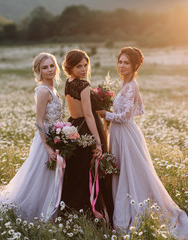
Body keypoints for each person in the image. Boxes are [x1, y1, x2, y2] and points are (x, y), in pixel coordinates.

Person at [97, 47, 188, 239]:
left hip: (125, 135)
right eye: (120, 62)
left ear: (135, 66)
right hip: (121, 133)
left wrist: (105, 114)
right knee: (125, 172)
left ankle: (135, 215)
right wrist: (118, 108)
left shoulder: (132, 85)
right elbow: (139, 109)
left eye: (126, 63)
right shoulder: (127, 84)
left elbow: (126, 117)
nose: (122, 66)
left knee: (131, 174)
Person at [0, 52, 63, 221]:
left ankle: (50, 210)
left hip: (57, 137)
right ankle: (33, 213)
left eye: (52, 65)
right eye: (45, 67)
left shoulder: (53, 89)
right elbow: (39, 121)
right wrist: (47, 147)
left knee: (50, 177)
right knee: (40, 176)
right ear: (39, 71)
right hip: (45, 140)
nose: (49, 70)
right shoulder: (42, 91)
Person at [61, 49, 113, 224]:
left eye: (85, 65)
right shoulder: (83, 85)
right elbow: (89, 115)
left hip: (73, 127)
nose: (83, 69)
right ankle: (90, 212)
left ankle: (70, 209)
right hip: (86, 129)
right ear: (70, 67)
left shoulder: (69, 82)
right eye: (79, 66)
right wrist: (98, 142)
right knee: (88, 172)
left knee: (76, 171)